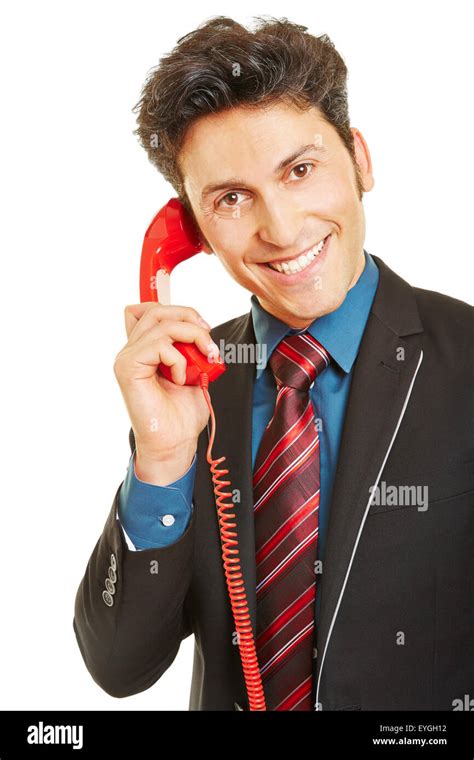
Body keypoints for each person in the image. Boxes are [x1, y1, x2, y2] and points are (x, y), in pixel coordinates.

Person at [73, 16, 473, 711]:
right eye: (231, 197)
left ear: (360, 160)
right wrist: (163, 462)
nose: (281, 230)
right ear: (191, 231)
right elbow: (119, 667)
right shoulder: (190, 385)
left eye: (300, 170)